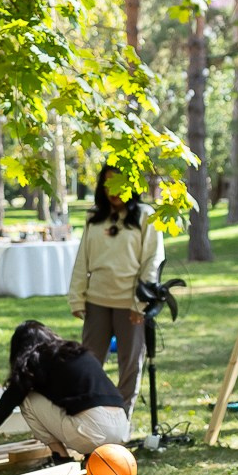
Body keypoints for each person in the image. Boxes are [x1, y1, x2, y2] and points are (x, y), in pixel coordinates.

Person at [0, 321, 129, 466]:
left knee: (26, 399)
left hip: (93, 433)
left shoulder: (32, 363)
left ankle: (60, 458)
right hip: (121, 430)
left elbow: (3, 408)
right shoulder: (74, 351)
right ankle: (90, 456)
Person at [68, 165, 165, 410]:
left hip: (130, 304)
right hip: (97, 300)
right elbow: (83, 259)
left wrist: (140, 303)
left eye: (119, 183)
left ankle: (122, 424)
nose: (113, 191)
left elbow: (152, 261)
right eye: (108, 184)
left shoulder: (145, 215)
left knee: (130, 365)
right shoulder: (93, 216)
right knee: (88, 363)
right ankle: (88, 415)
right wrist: (77, 298)